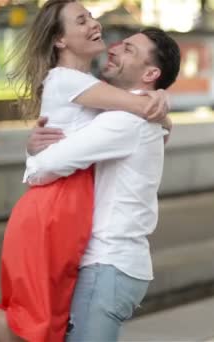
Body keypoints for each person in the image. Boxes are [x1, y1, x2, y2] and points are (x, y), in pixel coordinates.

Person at [0, 1, 170, 341]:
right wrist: (162, 101)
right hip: (54, 210)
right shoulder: (66, 80)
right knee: (33, 329)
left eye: (91, 16)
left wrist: (160, 106)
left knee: (41, 329)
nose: (95, 23)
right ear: (60, 40)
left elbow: (138, 112)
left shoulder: (87, 86)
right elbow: (140, 106)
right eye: (81, 20)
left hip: (66, 212)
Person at [24, 27, 181, 341]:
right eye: (121, 44)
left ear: (151, 73)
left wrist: (34, 158)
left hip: (106, 265)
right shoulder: (127, 114)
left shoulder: (124, 121)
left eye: (129, 50)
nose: (114, 49)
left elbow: (46, 167)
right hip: (114, 266)